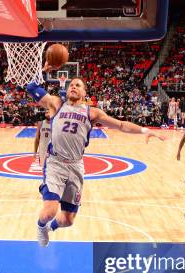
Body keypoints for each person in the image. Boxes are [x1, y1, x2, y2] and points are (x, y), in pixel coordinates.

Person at [26, 65, 164, 246]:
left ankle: (52, 227)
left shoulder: (92, 112)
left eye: (78, 85)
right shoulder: (56, 104)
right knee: (50, 210)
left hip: (76, 166)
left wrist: (144, 130)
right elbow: (31, 88)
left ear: (85, 92)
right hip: (55, 163)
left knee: (67, 220)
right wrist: (43, 69)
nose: (73, 87)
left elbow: (121, 125)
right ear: (67, 90)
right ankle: (41, 226)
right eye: (71, 85)